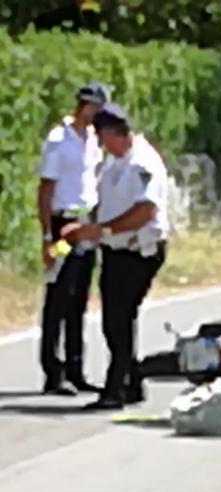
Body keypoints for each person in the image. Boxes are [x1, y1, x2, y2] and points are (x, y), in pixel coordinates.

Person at [62, 103, 170, 411]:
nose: (100, 142)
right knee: (118, 316)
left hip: (138, 249)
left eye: (102, 136)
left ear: (115, 133)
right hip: (114, 248)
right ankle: (131, 381)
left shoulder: (142, 163)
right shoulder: (114, 162)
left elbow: (144, 210)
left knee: (117, 318)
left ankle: (116, 389)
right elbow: (105, 204)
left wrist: (104, 230)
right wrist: (87, 229)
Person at [37, 82, 109, 395]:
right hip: (63, 222)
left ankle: (76, 366)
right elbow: (46, 189)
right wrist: (47, 237)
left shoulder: (94, 139)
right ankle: (53, 371)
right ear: (83, 105)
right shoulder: (59, 139)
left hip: (86, 221)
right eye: (94, 107)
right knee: (59, 295)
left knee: (80, 296)